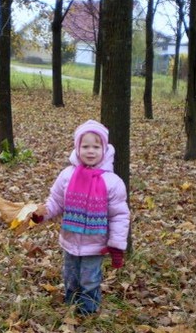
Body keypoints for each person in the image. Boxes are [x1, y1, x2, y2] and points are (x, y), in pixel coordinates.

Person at [32, 119, 130, 316]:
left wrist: (117, 245)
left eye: (96, 146)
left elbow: (119, 215)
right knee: (70, 276)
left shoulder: (112, 182)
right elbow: (56, 201)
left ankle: (88, 310)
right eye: (85, 146)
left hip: (96, 244)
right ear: (77, 148)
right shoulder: (67, 175)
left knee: (90, 278)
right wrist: (42, 214)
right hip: (70, 240)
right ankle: (71, 304)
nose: (90, 151)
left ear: (105, 149)